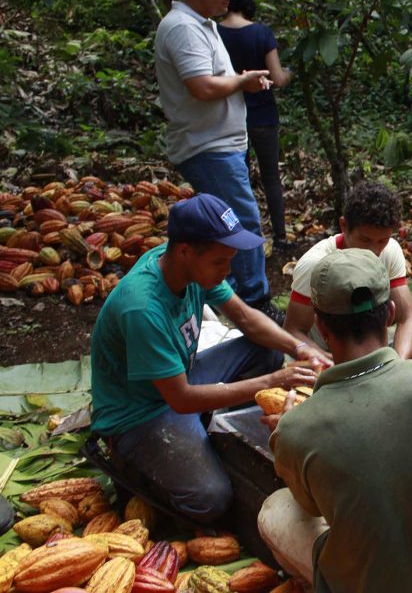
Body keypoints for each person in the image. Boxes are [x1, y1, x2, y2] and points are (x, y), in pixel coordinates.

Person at [259, 248, 412, 592]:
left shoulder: (297, 428)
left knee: (274, 509)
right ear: (390, 313)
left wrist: (287, 434)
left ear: (320, 325)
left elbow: (311, 507)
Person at [89, 194, 320, 523]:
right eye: (219, 262)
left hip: (182, 376)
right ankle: (136, 466)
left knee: (268, 348)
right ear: (184, 251)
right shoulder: (142, 308)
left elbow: (245, 317)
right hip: (141, 413)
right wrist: (272, 381)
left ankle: (209, 430)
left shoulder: (190, 269)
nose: (226, 270)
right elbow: (181, 399)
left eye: (230, 260)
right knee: (212, 499)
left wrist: (298, 348)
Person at [154, 0, 275, 314]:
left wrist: (242, 83)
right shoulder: (182, 27)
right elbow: (202, 87)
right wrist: (242, 80)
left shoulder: (203, 23)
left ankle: (230, 298)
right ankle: (254, 303)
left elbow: (213, 81)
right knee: (242, 221)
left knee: (225, 226)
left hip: (220, 145)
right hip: (208, 146)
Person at [285, 181, 412, 360]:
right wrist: (332, 364)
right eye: (365, 240)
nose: (374, 250)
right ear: (344, 225)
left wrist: (397, 365)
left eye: (382, 240)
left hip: (371, 342)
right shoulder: (315, 264)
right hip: (326, 349)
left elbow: (406, 319)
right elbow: (293, 331)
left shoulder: (390, 251)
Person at [219, 0, 293, 251]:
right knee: (271, 177)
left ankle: (239, 239)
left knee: (239, 180)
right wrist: (292, 72)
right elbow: (278, 78)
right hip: (262, 115)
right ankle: (280, 238)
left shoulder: (214, 33)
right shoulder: (261, 33)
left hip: (228, 118)